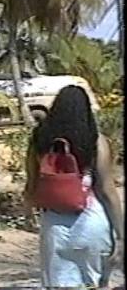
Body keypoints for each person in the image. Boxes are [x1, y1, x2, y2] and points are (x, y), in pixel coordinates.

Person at [23, 85, 124, 288]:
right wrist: (121, 235)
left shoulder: (40, 141)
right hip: (93, 223)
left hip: (55, 226)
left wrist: (28, 215)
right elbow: (107, 190)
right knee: (94, 283)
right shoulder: (96, 141)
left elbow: (31, 186)